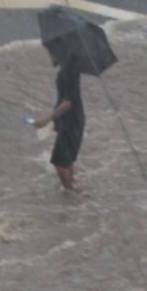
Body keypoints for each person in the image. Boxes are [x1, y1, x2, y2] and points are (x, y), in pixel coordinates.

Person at [32, 57, 85, 193]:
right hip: (74, 119)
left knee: (59, 161)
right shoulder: (72, 69)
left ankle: (70, 194)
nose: (50, 56)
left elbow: (67, 103)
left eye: (52, 53)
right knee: (66, 159)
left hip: (70, 122)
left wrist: (47, 119)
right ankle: (72, 188)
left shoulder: (66, 72)